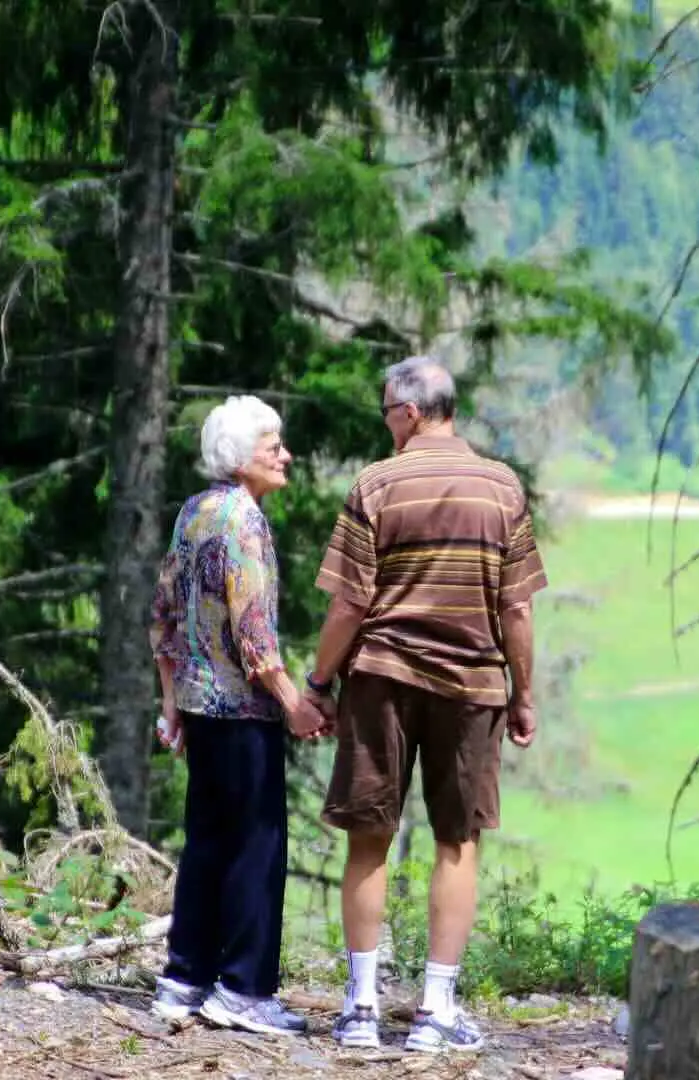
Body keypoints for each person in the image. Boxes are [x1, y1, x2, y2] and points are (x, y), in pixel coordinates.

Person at [302, 357, 546, 1054]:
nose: (386, 424)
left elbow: (350, 604)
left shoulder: (375, 483)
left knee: (369, 839)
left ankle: (361, 1008)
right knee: (457, 841)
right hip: (472, 688)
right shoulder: (501, 486)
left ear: (409, 413)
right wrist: (523, 694)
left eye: (386, 412)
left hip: (381, 678)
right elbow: (518, 606)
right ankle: (436, 1011)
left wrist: (318, 686)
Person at [146, 394, 328, 1037]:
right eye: (272, 444)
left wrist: (171, 708)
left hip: (199, 707)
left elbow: (163, 617)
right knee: (256, 846)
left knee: (207, 844)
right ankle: (244, 990)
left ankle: (183, 978)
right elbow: (255, 636)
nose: (285, 455)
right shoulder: (244, 522)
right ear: (240, 455)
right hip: (245, 710)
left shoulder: (194, 512)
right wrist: (296, 705)